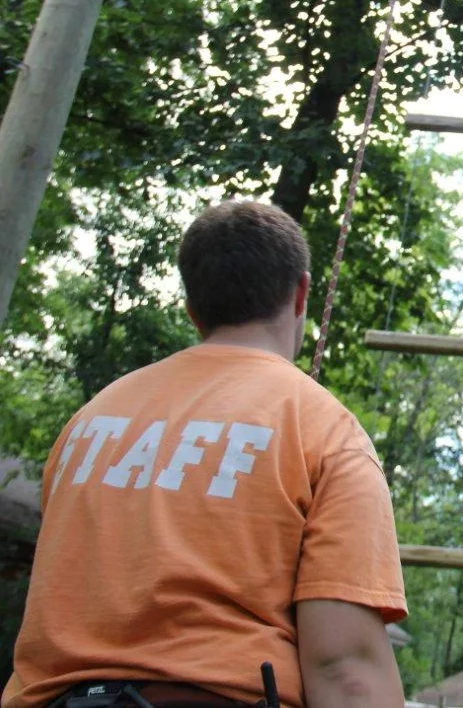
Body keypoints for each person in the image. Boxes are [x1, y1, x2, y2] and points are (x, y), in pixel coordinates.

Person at [3, 201, 407, 708]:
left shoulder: (88, 423)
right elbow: (345, 670)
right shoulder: (327, 434)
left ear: (193, 308)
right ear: (301, 293)